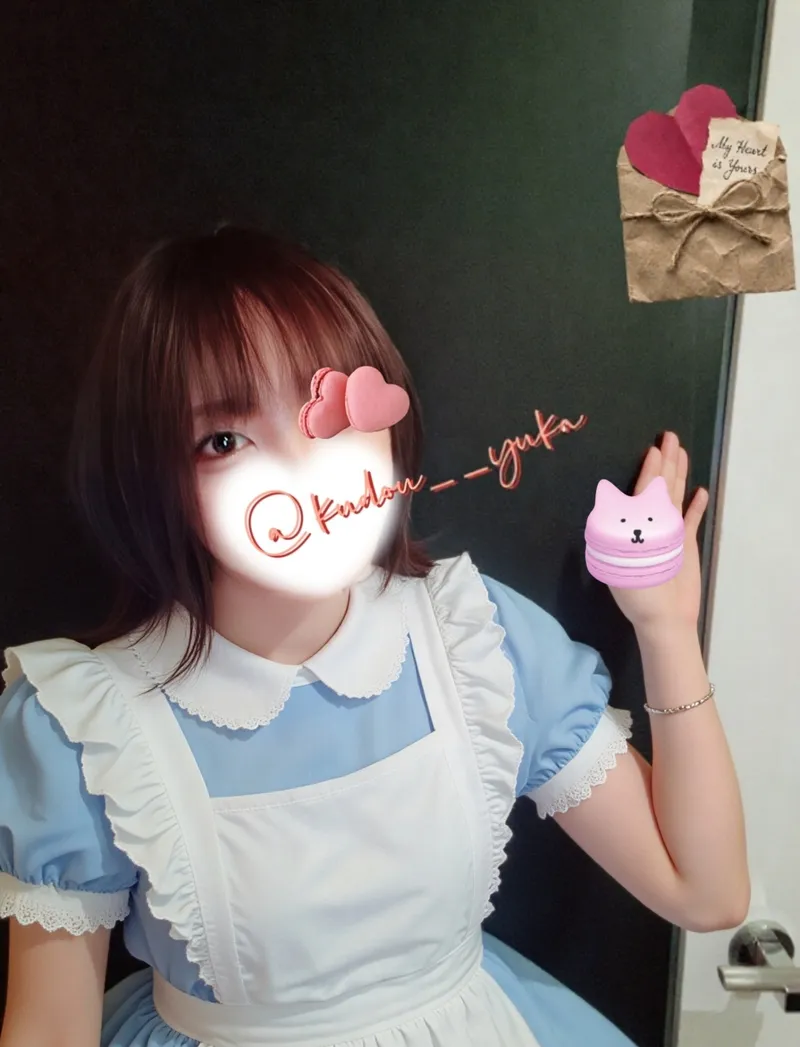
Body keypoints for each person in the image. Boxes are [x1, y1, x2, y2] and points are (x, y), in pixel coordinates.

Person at [0, 228, 748, 1047]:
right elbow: (49, 1030)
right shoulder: (85, 726)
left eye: (331, 412)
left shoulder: (474, 640)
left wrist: (666, 628)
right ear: (153, 477)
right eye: (224, 440)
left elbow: (707, 893)